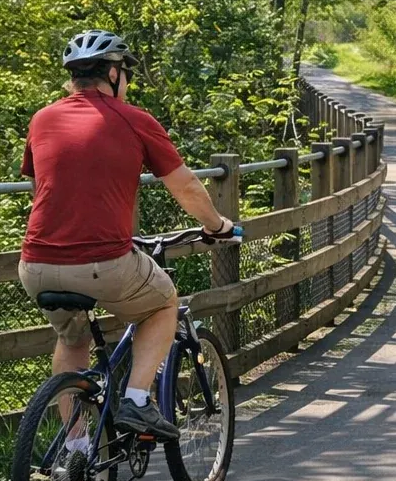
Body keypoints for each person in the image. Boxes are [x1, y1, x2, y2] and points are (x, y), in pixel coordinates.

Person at [18, 30, 239, 443]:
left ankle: (77, 446)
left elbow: (46, 190)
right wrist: (216, 225)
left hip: (36, 266)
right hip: (102, 263)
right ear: (115, 73)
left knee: (73, 338)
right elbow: (186, 187)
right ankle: (137, 400)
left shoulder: (42, 118)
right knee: (163, 301)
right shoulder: (133, 119)